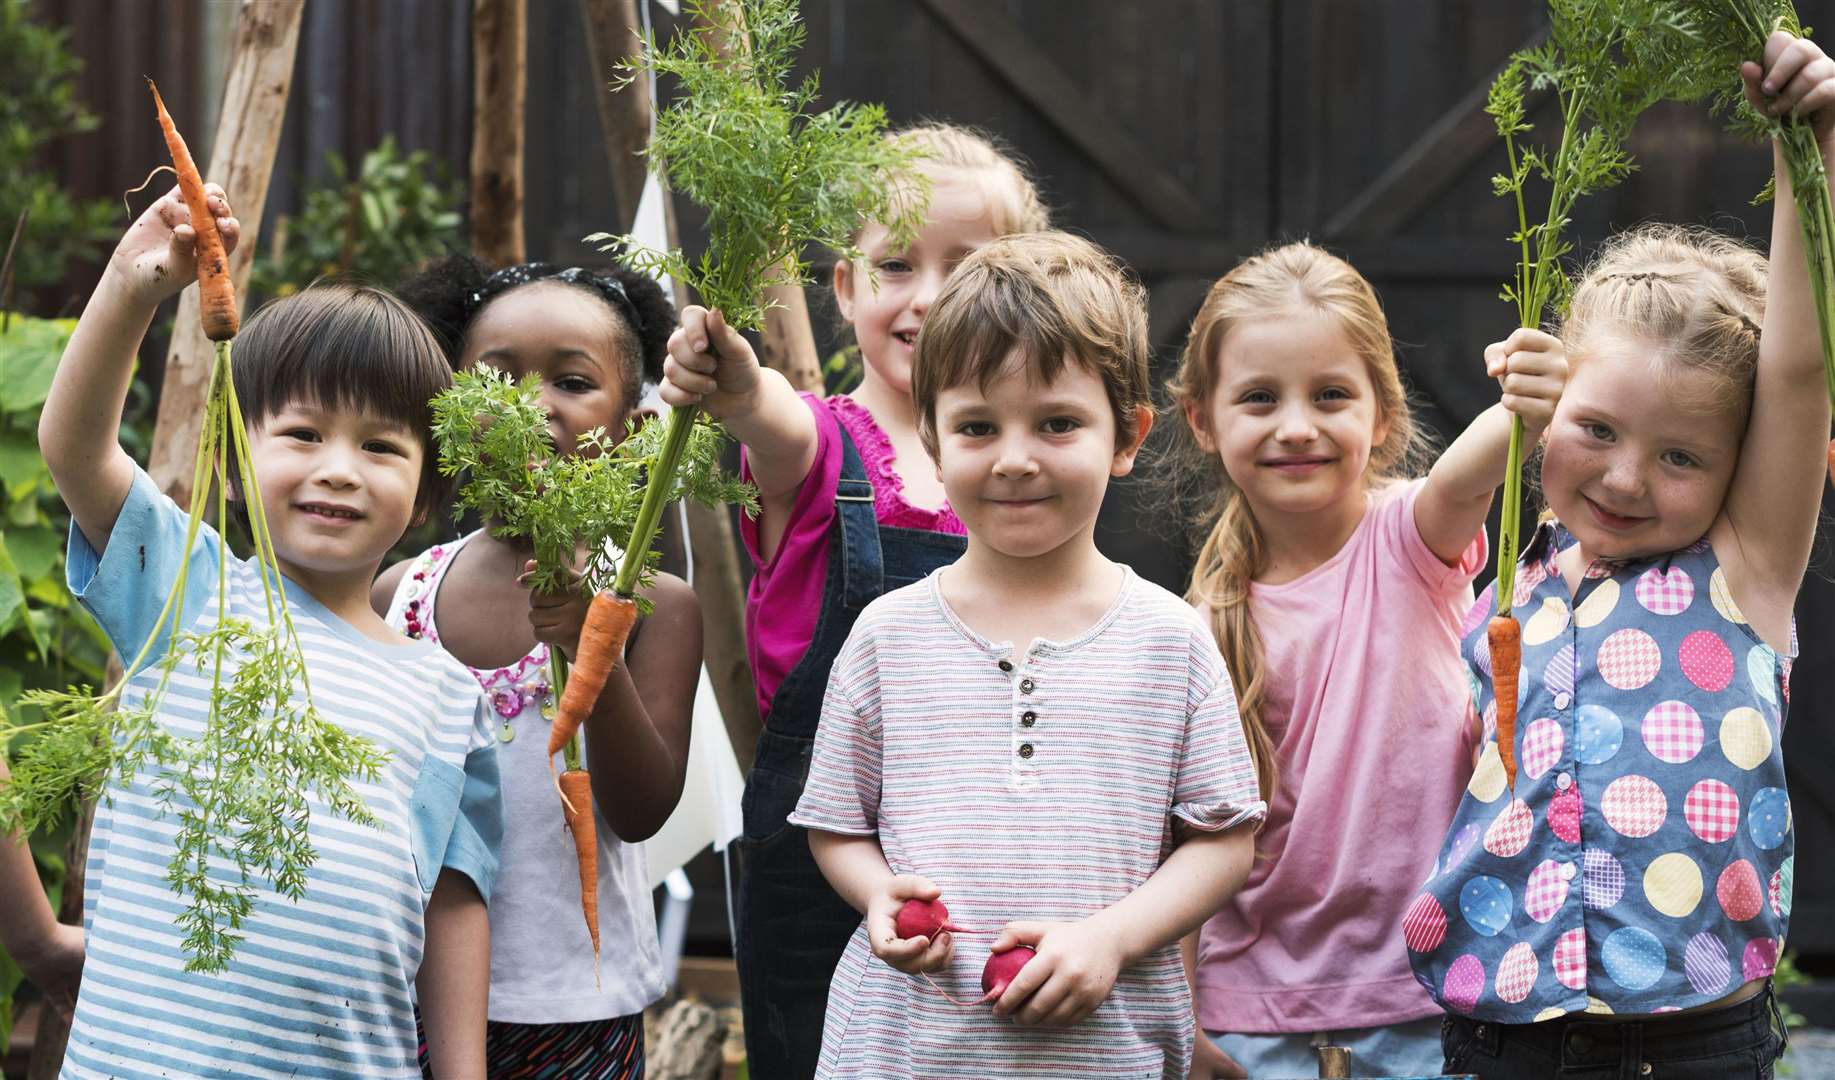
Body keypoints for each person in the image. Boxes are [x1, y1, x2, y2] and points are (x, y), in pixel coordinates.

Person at [1411, 32, 1835, 1079]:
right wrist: (1514, 410)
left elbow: (1796, 368)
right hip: (1497, 1032)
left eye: (1679, 455)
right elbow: (1431, 506)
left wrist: (1808, 159)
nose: (1625, 479)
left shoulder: (1742, 573)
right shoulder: (1505, 564)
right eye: (1595, 430)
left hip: (1686, 1040)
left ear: (1737, 470)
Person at [31, 184, 499, 1078]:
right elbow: (74, 445)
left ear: (429, 494)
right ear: (236, 459)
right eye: (302, 433)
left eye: (381, 447)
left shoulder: (447, 697)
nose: (339, 470)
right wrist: (137, 287)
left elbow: (454, 904)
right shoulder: (187, 589)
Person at [787, 231, 1265, 1078]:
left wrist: (1110, 940)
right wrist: (876, 896)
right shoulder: (887, 635)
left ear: (1126, 437)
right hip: (903, 1050)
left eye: (1056, 423)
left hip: (1100, 1050)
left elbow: (1223, 841)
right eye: (976, 425)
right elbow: (837, 826)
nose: (1014, 459)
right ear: (932, 443)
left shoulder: (1168, 638)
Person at [658, 123, 1050, 1077]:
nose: (928, 296)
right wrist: (740, 384)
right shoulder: (823, 443)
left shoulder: (1030, 467)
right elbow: (772, 423)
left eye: (966, 265)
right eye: (897, 265)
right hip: (822, 845)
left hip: (999, 826)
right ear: (844, 288)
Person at [1169, 241, 1568, 1078]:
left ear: (1381, 415)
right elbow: (1181, 837)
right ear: (1202, 421)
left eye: (1330, 395)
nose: (1296, 426)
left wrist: (1524, 397)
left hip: (1430, 997)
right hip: (1254, 1015)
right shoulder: (1199, 621)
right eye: (1257, 398)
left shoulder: (1408, 540)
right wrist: (1183, 1020)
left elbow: (1468, 477)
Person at [382, 256, 701, 1079]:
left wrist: (586, 654)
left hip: (572, 1003)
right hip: (393, 991)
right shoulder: (397, 591)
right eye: (498, 378)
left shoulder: (653, 603)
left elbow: (639, 812)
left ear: (630, 428)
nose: (532, 405)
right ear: (449, 409)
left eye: (570, 381)